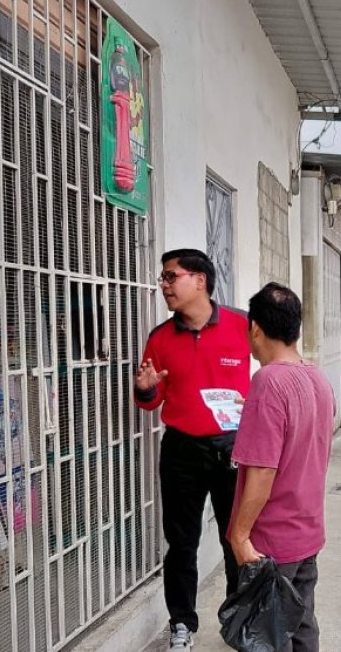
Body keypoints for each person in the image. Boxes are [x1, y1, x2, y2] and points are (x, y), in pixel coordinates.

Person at [134, 248, 251, 650]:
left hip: (234, 447)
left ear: (199, 279)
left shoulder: (242, 325)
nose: (163, 285)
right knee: (181, 543)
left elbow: (276, 364)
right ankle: (182, 624)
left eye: (171, 277)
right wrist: (146, 389)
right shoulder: (160, 338)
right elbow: (150, 400)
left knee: (235, 537)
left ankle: (240, 620)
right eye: (162, 278)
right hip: (181, 451)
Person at [228, 283, 335, 652]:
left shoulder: (268, 382)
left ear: (255, 328)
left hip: (272, 540)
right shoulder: (317, 379)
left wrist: (240, 536)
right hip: (307, 532)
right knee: (303, 625)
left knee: (266, 640)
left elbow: (262, 470)